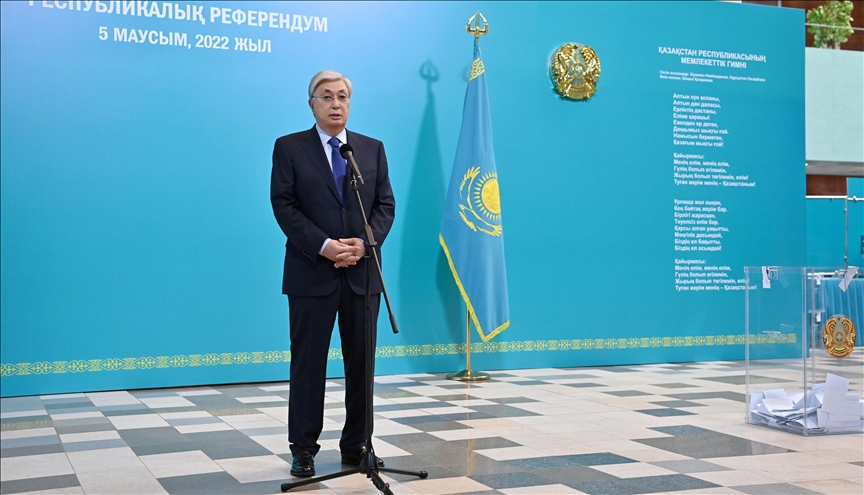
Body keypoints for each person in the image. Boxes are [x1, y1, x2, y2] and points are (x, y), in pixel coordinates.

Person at [270, 70, 396, 477]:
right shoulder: (290, 147)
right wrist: (324, 246)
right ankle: (303, 449)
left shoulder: (370, 149)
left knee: (362, 365)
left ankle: (358, 445)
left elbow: (384, 205)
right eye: (326, 96)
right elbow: (284, 205)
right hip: (311, 271)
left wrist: (364, 243)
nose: (336, 103)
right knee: (309, 365)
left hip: (363, 273)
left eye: (342, 96)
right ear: (312, 104)